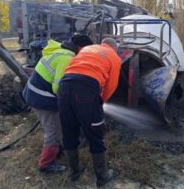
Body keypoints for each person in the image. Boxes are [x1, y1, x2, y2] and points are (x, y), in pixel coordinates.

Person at [22, 35, 93, 173]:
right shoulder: (67, 59)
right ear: (80, 47)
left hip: (37, 92)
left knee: (59, 125)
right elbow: (58, 88)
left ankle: (58, 150)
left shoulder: (62, 50)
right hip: (41, 98)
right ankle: (46, 164)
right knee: (52, 131)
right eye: (86, 50)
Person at [58, 38, 121, 187]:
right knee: (95, 133)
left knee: (68, 130)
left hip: (64, 86)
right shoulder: (114, 57)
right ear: (115, 48)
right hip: (86, 89)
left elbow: (78, 67)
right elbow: (111, 86)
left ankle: (75, 172)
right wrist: (100, 102)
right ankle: (102, 176)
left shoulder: (88, 48)